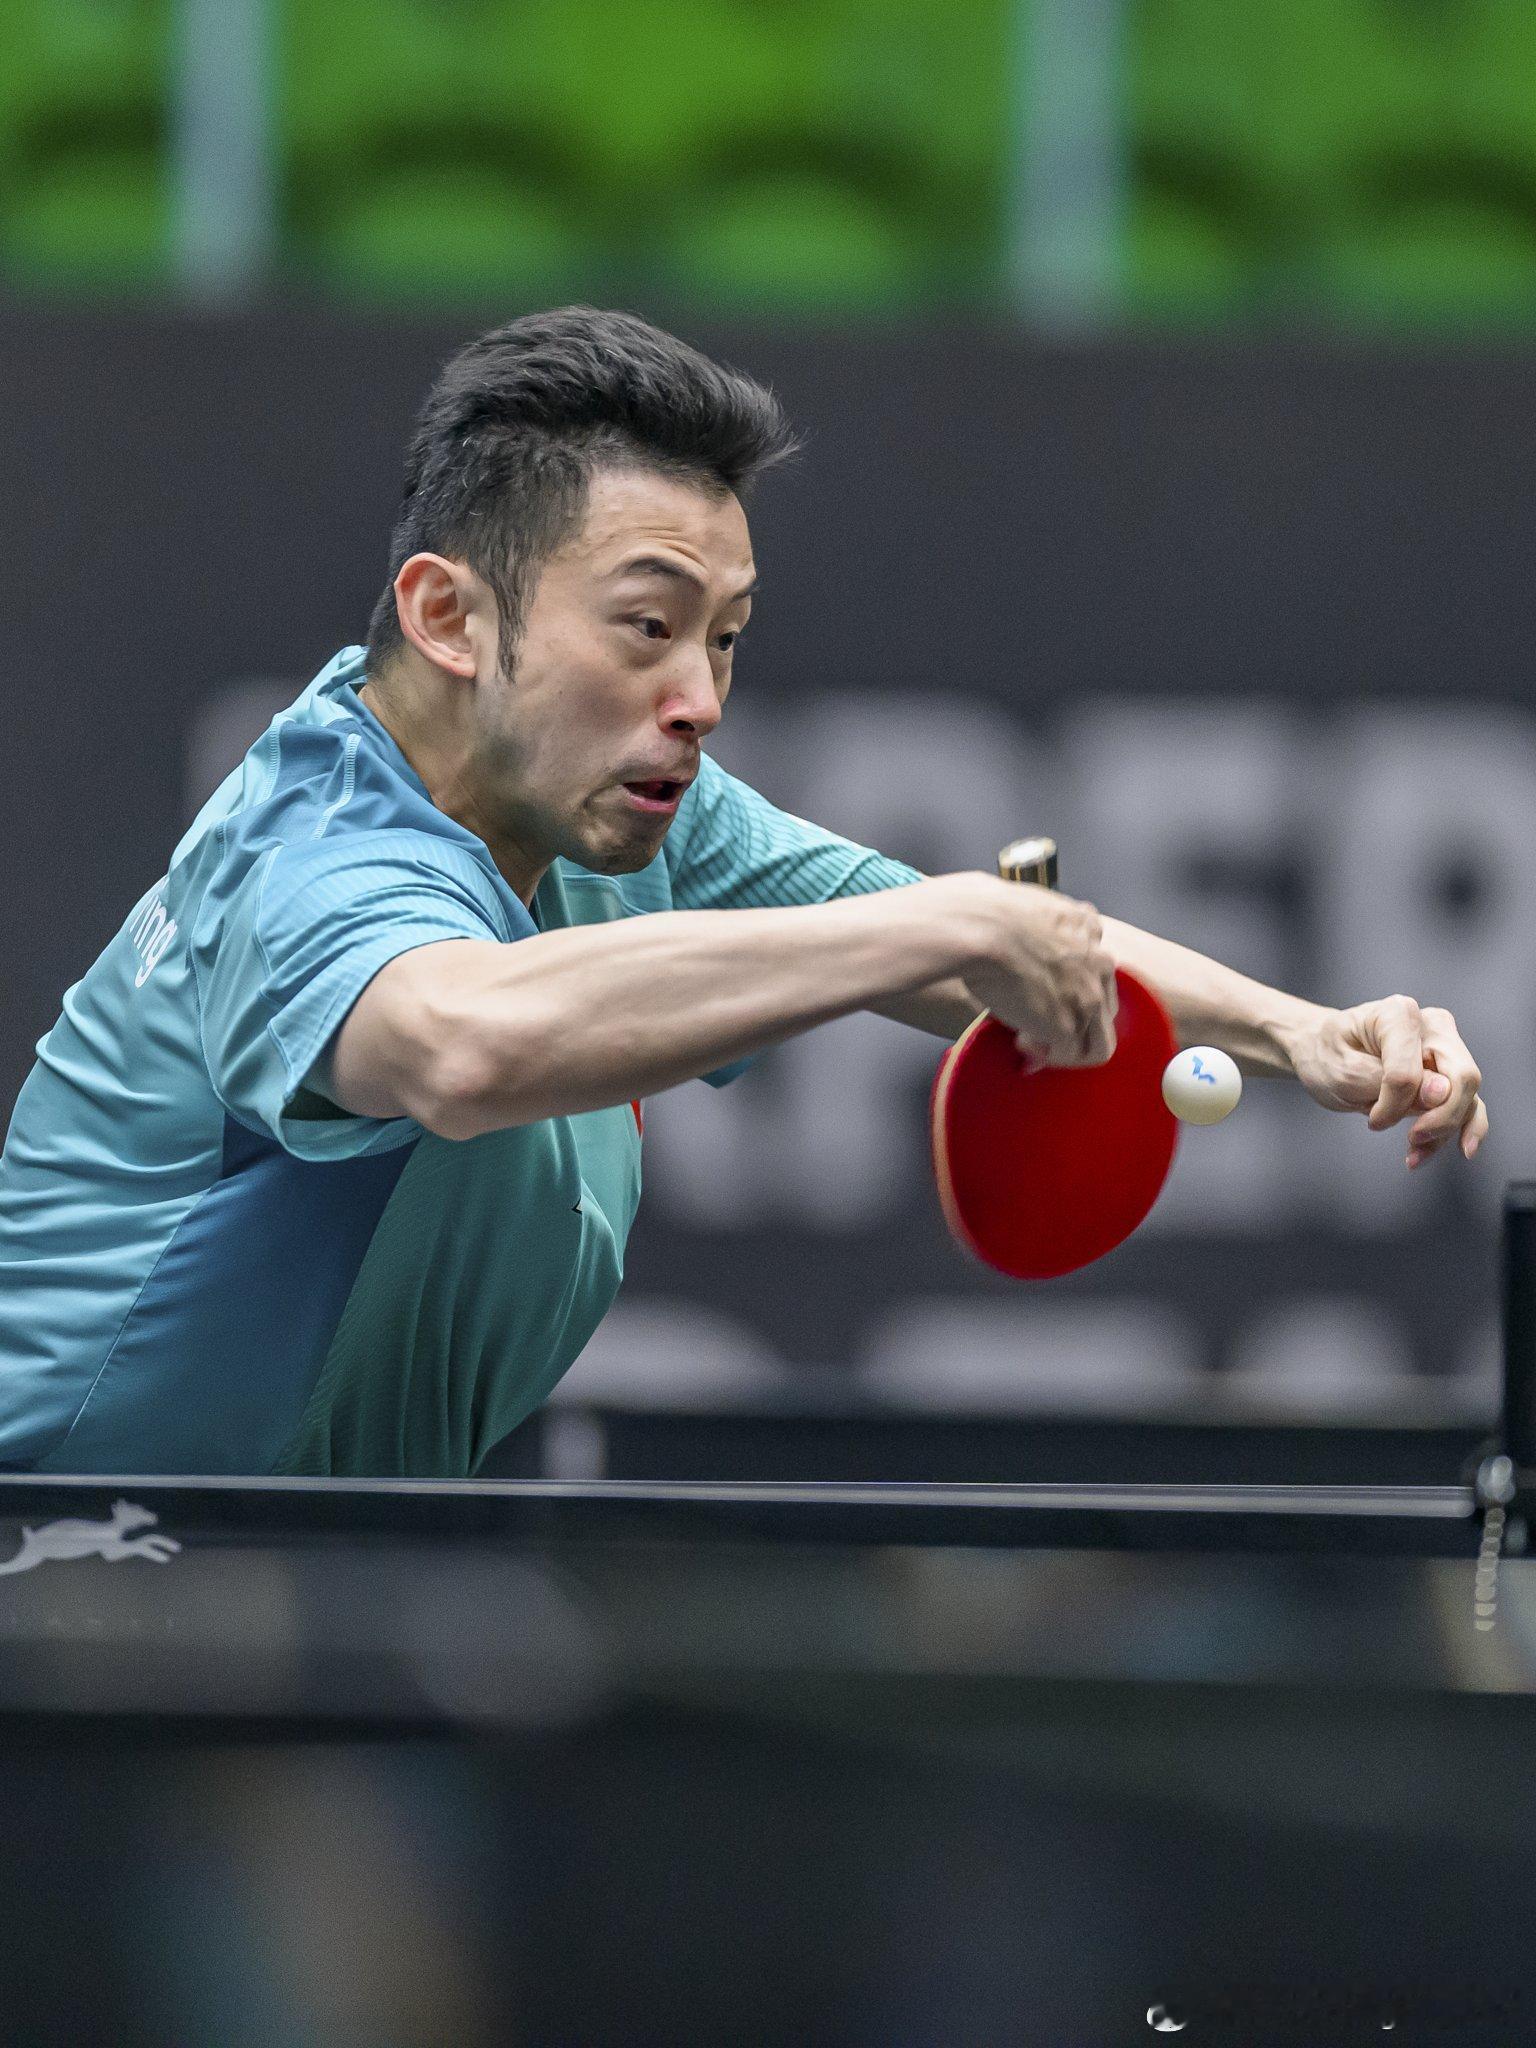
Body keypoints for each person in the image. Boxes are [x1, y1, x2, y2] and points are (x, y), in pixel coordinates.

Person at [0, 308, 1488, 1478]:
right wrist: (942, 921)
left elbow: (972, 952)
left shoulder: (614, 811)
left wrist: (1307, 1034)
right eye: (647, 626)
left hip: (308, 1568)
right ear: (448, 616)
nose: (701, 697)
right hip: (66, 1575)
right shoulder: (318, 844)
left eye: (724, 637)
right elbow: (457, 1043)